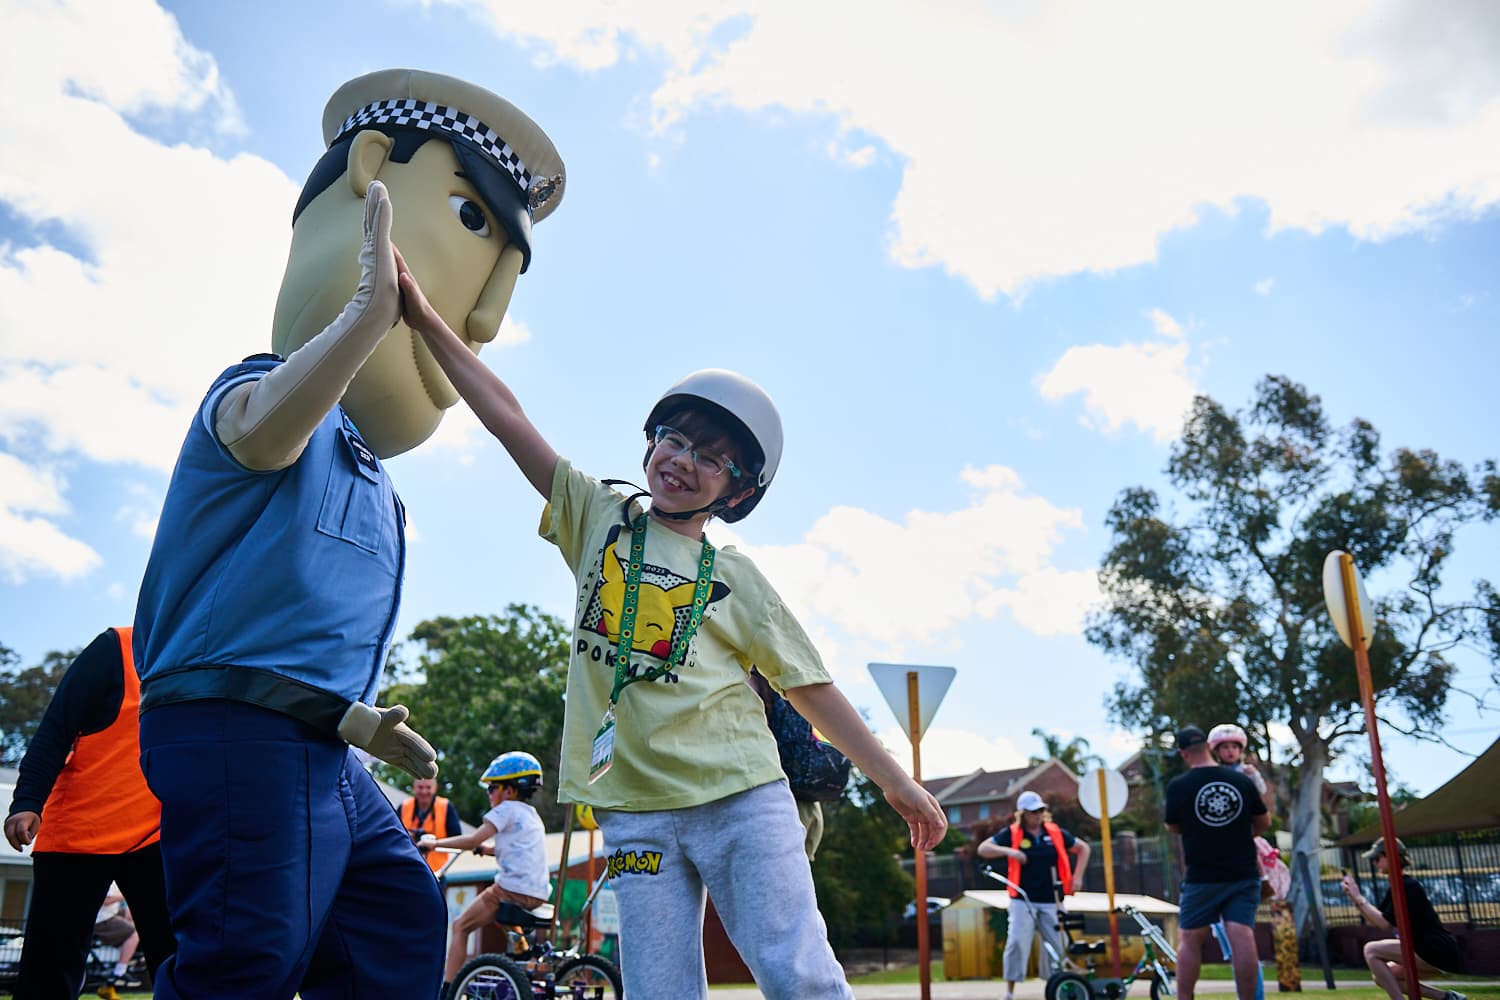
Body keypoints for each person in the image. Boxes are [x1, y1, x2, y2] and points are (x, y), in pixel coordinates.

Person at [130, 68, 566, 1000]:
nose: (484, 316)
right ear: (371, 178)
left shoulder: (381, 485)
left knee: (393, 922)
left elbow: (291, 625)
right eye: (475, 227)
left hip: (321, 747)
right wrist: (367, 316)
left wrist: (362, 721)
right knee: (248, 955)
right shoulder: (255, 390)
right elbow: (259, 428)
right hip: (237, 731)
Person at [396, 274, 948, 999]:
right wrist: (430, 319)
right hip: (633, 813)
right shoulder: (598, 516)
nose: (683, 459)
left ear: (740, 490)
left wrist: (897, 782)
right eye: (675, 438)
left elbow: (810, 688)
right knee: (659, 989)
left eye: (712, 456)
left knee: (798, 972)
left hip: (740, 798)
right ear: (650, 442)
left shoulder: (736, 577)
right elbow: (508, 418)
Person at [3, 627, 174, 999]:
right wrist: (28, 801)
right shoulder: (117, 648)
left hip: (154, 837)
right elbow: (55, 728)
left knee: (178, 959)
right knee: (50, 970)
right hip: (78, 835)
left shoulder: (205, 656)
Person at [420, 751, 551, 990]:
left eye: (492, 788)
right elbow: (516, 849)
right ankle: (521, 954)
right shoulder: (531, 816)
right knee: (500, 906)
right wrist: (487, 851)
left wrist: (434, 843)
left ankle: (448, 989)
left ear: (509, 791)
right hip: (538, 893)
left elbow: (471, 840)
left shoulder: (504, 810)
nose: (489, 794)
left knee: (461, 926)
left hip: (511, 890)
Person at [1164, 725, 1270, 1000]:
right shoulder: (1242, 781)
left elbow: (1172, 826)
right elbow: (1263, 821)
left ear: (1183, 753)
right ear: (1209, 748)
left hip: (1202, 874)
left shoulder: (1179, 786)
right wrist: (1236, 834)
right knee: (1241, 934)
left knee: (1189, 939)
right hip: (1243, 872)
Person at [975, 789, 1091, 1000]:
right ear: (1022, 814)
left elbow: (1083, 848)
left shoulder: (1054, 833)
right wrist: (1010, 852)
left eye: (1040, 811)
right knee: (1017, 942)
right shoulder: (1011, 834)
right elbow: (984, 848)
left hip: (1052, 899)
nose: (1037, 815)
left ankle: (1056, 988)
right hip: (1022, 899)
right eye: (1032, 812)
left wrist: (1078, 876)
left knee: (1059, 944)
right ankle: (1009, 992)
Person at [1340, 837, 1466, 1000]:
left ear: (1391, 856)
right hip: (1423, 950)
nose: (1374, 863)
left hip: (1436, 950)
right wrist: (1354, 896)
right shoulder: (1397, 886)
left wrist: (1358, 897)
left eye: (1377, 858)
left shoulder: (1408, 886)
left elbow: (1384, 924)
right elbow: (1379, 920)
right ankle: (1448, 998)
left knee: (1371, 950)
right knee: (1383, 977)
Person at [1208, 722, 1275, 1000]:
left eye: (1234, 747)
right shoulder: (1214, 775)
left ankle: (1263, 878)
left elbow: (1261, 801)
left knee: (1238, 938)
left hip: (1241, 841)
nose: (1230, 752)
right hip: (1220, 852)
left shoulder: (1246, 774)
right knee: (1230, 935)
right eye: (1225, 747)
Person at [403, 777, 464, 876]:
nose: (424, 791)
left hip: (436, 872)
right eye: (420, 787)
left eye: (428, 787)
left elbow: (457, 839)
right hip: (407, 870)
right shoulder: (404, 806)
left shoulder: (445, 806)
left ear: (435, 788)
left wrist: (434, 844)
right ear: (414, 787)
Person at [1209, 723, 1274, 812]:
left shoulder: (1247, 771)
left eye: (1234, 747)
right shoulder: (1213, 772)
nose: (1230, 750)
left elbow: (1262, 790)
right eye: (1225, 747)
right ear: (1217, 751)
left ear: (1240, 751)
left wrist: (1255, 776)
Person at [92, 886, 143, 989]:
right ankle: (120, 972)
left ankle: (131, 956)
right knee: (133, 934)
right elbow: (106, 900)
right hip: (101, 919)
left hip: (110, 913)